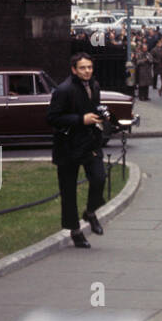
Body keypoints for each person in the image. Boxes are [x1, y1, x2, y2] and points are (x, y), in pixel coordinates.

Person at [46, 52, 108, 249]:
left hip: (90, 144)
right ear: (74, 69)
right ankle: (75, 231)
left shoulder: (94, 86)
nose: (87, 71)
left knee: (99, 178)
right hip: (68, 147)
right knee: (69, 191)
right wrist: (81, 120)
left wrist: (101, 114)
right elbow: (52, 118)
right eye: (82, 68)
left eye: (89, 67)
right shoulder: (63, 90)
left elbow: (92, 106)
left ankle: (90, 212)